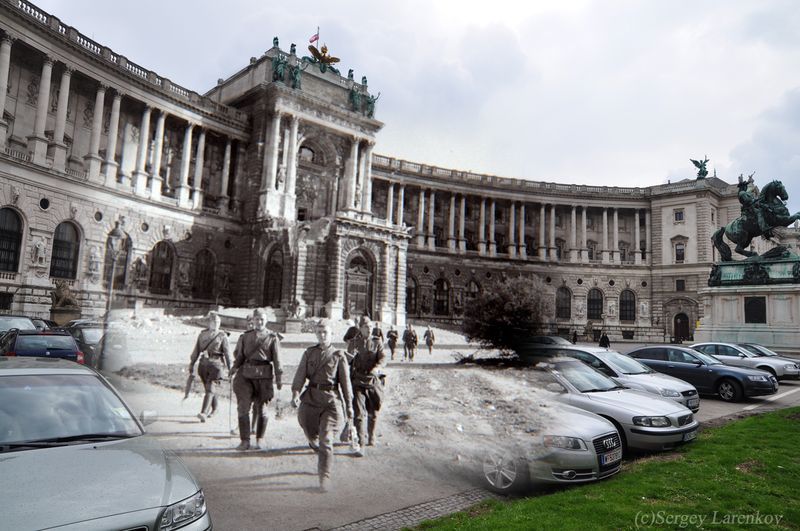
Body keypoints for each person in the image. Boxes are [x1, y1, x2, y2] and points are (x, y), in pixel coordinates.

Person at [292, 319, 354, 492]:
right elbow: (300, 375)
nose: (322, 335)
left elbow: (346, 384)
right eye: (319, 332)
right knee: (307, 428)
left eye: (325, 332)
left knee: (326, 439)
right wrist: (295, 393)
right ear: (316, 334)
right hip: (311, 399)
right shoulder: (309, 353)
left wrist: (349, 406)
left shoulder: (338, 356)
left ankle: (324, 477)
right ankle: (314, 444)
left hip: (331, 402)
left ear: (331, 334)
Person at [231, 308, 282, 451]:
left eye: (262, 319)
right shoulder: (245, 337)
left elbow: (277, 360)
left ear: (266, 321)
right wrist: (234, 368)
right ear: (253, 320)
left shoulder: (272, 338)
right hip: (246, 375)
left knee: (262, 408)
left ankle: (260, 439)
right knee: (243, 407)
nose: (259, 322)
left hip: (264, 377)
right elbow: (240, 356)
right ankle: (245, 441)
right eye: (257, 319)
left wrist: (279, 377)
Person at [350, 319, 387, 452]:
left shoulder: (377, 341)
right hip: (358, 381)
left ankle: (371, 434)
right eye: (366, 326)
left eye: (370, 326)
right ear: (360, 328)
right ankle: (361, 443)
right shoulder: (354, 342)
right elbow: (348, 359)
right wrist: (352, 356)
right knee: (358, 413)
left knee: (373, 412)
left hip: (372, 381)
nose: (369, 329)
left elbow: (383, 358)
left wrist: (378, 367)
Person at [188, 311, 231, 423]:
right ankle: (215, 409)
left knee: (210, 387)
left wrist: (230, 369)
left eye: (218, 322)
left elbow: (227, 354)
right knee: (209, 389)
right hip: (203, 365)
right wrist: (192, 364)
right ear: (209, 323)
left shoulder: (222, 336)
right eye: (214, 322)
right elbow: (196, 350)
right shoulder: (202, 335)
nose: (216, 324)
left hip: (217, 365)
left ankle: (204, 412)